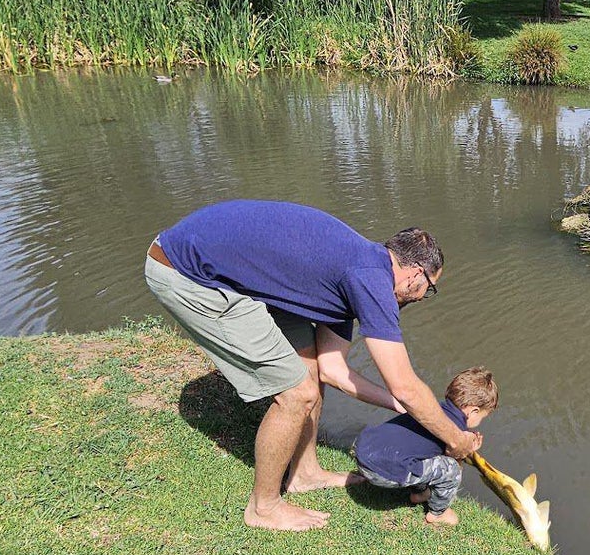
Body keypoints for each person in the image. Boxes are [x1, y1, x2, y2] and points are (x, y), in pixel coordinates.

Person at [144, 201, 481, 532]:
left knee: (308, 372)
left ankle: (305, 472)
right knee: (296, 393)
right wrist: (455, 438)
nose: (423, 297)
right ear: (415, 273)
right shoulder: (370, 279)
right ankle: (264, 507)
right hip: (185, 272)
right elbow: (405, 385)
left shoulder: (359, 271)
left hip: (220, 266)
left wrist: (399, 405)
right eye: (430, 288)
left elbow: (332, 369)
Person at [354, 367, 496, 526]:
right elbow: (453, 458)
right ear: (474, 411)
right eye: (482, 417)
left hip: (363, 452)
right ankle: (438, 514)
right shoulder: (453, 430)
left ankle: (420, 493)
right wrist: (466, 448)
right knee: (450, 469)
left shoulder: (429, 409)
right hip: (381, 472)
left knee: (421, 453)